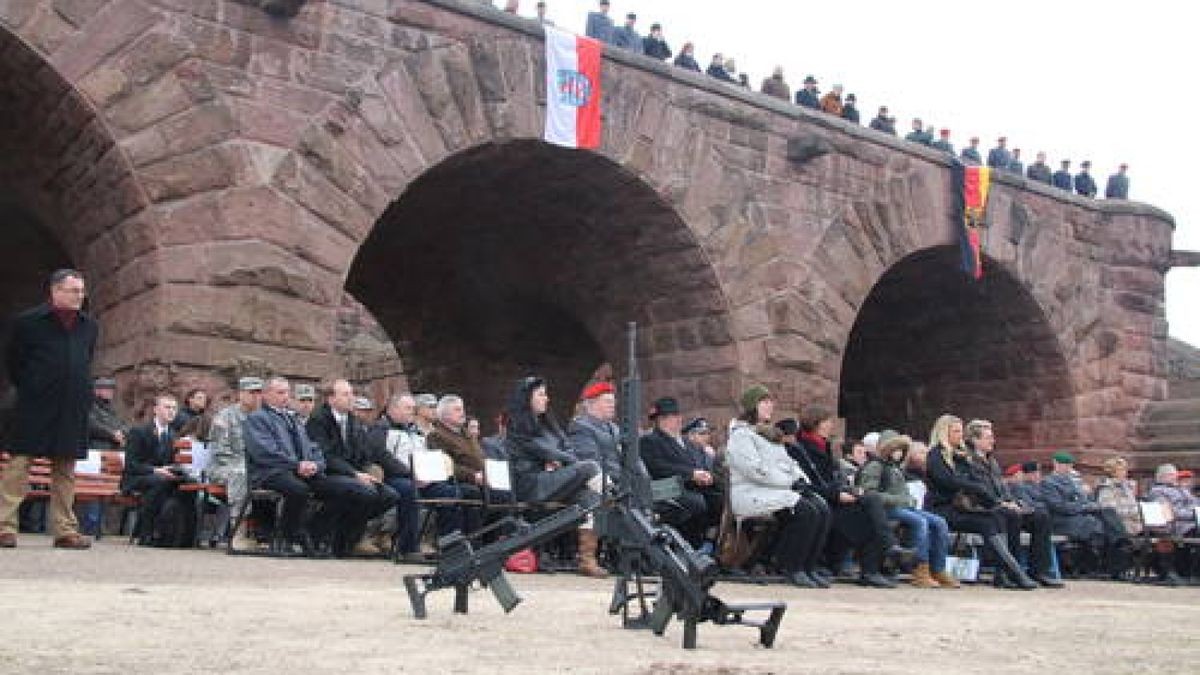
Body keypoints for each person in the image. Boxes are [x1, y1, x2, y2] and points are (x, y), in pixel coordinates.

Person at [1, 269, 97, 550]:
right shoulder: (28, 322)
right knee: (19, 465)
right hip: (34, 403)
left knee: (65, 469)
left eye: (82, 291)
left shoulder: (89, 326)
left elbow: (86, 359)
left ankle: (65, 530)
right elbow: (13, 361)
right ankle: (5, 526)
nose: (80, 296)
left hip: (71, 405)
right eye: (73, 290)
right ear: (55, 291)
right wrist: (33, 385)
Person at [245, 377, 375, 557]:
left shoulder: (293, 419)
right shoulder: (257, 419)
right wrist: (296, 465)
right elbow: (264, 452)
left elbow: (313, 447)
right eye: (280, 392)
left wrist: (316, 464)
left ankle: (316, 534)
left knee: (348, 489)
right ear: (266, 395)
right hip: (271, 472)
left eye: (287, 392)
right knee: (298, 489)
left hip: (303, 471)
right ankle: (288, 537)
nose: (286, 396)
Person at [727, 386, 830, 588]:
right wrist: (790, 482)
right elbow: (754, 470)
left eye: (770, 401)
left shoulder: (769, 434)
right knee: (805, 511)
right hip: (749, 492)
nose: (770, 405)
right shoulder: (741, 435)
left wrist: (802, 481)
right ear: (752, 406)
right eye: (764, 401)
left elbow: (789, 463)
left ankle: (808, 567)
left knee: (821, 507)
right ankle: (792, 567)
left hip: (772, 490)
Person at [924, 414, 1037, 589]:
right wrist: (975, 488)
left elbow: (975, 483)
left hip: (963, 507)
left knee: (1000, 516)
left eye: (961, 431)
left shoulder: (961, 455)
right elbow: (947, 481)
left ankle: (1004, 574)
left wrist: (996, 503)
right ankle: (1015, 573)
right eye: (955, 431)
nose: (960, 435)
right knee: (989, 522)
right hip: (943, 508)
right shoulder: (935, 455)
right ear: (943, 432)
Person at [787, 406, 896, 588]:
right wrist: (837, 495)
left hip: (832, 498)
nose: (831, 425)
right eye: (827, 421)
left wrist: (848, 490)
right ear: (816, 424)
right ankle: (886, 551)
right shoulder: (800, 448)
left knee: (871, 502)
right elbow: (805, 484)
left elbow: (831, 479)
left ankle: (873, 567)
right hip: (820, 500)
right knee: (868, 511)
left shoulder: (824, 446)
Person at [504, 376, 602, 576]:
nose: (546, 399)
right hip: (532, 484)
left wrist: (563, 460)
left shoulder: (549, 423)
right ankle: (614, 500)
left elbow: (566, 449)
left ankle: (587, 560)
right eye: (540, 394)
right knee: (590, 468)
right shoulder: (517, 424)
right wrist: (564, 461)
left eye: (545, 394)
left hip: (554, 480)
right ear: (527, 398)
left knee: (590, 499)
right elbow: (545, 451)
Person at [305, 379, 400, 556]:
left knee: (389, 495)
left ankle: (345, 538)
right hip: (325, 474)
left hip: (351, 475)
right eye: (346, 394)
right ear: (331, 399)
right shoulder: (318, 419)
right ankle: (317, 531)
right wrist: (354, 474)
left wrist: (368, 468)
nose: (351, 398)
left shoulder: (352, 421)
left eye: (352, 394)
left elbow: (363, 452)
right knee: (363, 492)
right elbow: (325, 455)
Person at [965, 420, 1062, 587]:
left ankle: (1039, 571)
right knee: (1011, 516)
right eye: (988, 437)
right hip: (986, 508)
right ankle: (1010, 572)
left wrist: (1013, 501)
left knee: (1040, 516)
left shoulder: (992, 462)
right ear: (975, 440)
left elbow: (1003, 487)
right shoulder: (969, 462)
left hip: (1003, 505)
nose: (992, 441)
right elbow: (978, 492)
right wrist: (1002, 504)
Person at [857, 431, 956, 588]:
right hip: (885, 510)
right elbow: (869, 494)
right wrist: (899, 499)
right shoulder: (875, 466)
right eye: (896, 449)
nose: (899, 453)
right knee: (920, 522)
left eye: (902, 450)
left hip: (904, 507)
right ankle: (919, 569)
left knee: (940, 522)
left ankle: (938, 569)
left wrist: (906, 500)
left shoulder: (895, 468)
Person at [365, 393, 458, 559]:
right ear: (393, 408)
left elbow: (424, 455)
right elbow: (381, 455)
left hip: (419, 477)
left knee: (450, 492)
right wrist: (410, 473)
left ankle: (449, 546)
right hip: (392, 476)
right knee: (409, 490)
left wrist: (431, 474)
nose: (411, 412)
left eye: (413, 408)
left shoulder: (415, 432)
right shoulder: (380, 428)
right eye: (408, 408)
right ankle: (408, 548)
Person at [639, 397, 722, 550]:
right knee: (696, 502)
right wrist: (691, 474)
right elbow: (657, 467)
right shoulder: (649, 441)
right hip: (660, 487)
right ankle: (690, 547)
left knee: (719, 498)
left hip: (687, 484)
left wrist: (706, 476)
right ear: (660, 420)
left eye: (678, 416)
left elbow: (698, 464)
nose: (678, 420)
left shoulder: (687, 443)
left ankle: (710, 545)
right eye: (672, 417)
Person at [1041, 451, 1131, 579]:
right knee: (1096, 525)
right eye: (1064, 465)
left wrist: (1086, 505)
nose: (1067, 468)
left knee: (1107, 512)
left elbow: (1083, 499)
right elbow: (1058, 506)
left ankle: (1119, 545)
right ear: (1055, 464)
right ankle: (1109, 559)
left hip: (1077, 516)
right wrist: (1082, 507)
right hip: (1061, 520)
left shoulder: (1071, 481)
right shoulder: (1049, 483)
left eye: (1069, 465)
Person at [207, 376, 263, 552]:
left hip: (256, 468)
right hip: (223, 468)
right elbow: (220, 452)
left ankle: (271, 534)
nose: (255, 396)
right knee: (241, 473)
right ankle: (238, 533)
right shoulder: (225, 417)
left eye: (258, 392)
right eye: (251, 392)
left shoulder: (263, 418)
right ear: (240, 394)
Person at [122, 395, 186, 546]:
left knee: (184, 485)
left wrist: (174, 469)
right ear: (156, 410)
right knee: (159, 482)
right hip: (136, 479)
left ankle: (176, 535)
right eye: (167, 407)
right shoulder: (139, 431)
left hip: (161, 478)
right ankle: (146, 532)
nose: (171, 411)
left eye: (174, 408)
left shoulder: (173, 435)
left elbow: (169, 463)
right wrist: (156, 470)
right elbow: (131, 465)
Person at [568, 382, 622, 483]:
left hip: (623, 483)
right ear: (591, 404)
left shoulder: (614, 428)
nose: (612, 405)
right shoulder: (580, 427)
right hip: (603, 487)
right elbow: (592, 462)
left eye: (613, 401)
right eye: (607, 401)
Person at [87, 377, 128, 451]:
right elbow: (92, 425)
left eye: (112, 389)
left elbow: (122, 424)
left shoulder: (111, 410)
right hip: (97, 449)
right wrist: (112, 434)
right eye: (107, 389)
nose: (111, 391)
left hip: (115, 449)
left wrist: (123, 433)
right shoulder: (89, 406)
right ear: (97, 391)